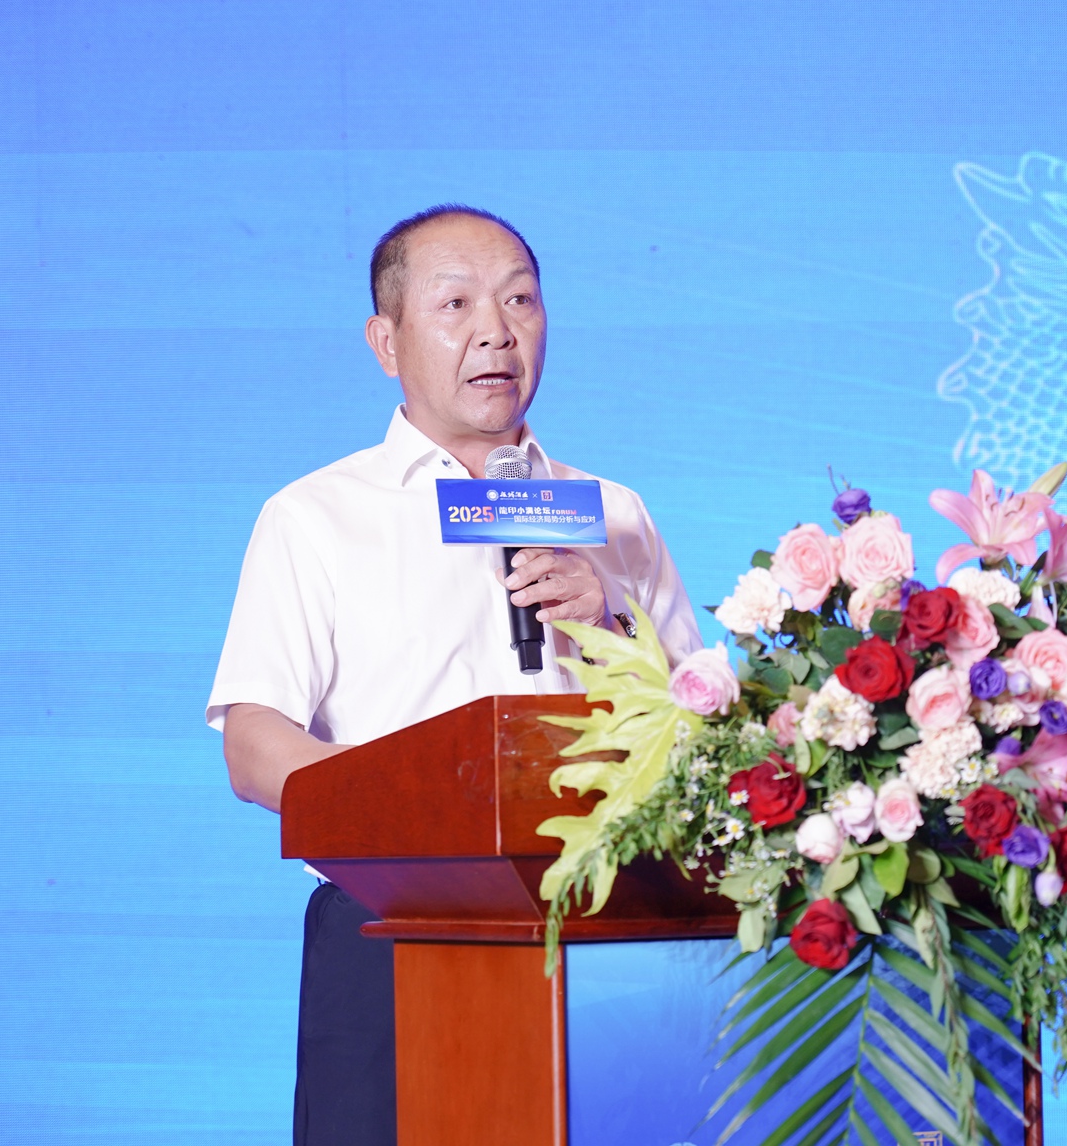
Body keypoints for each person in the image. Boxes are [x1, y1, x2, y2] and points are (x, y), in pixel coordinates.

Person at [205, 204, 702, 1145]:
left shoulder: (614, 514)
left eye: (520, 301)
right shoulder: (314, 517)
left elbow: (701, 732)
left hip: (606, 933)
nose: (496, 332)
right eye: (456, 304)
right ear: (385, 342)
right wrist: (421, 812)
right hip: (390, 930)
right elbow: (253, 744)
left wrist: (609, 622)